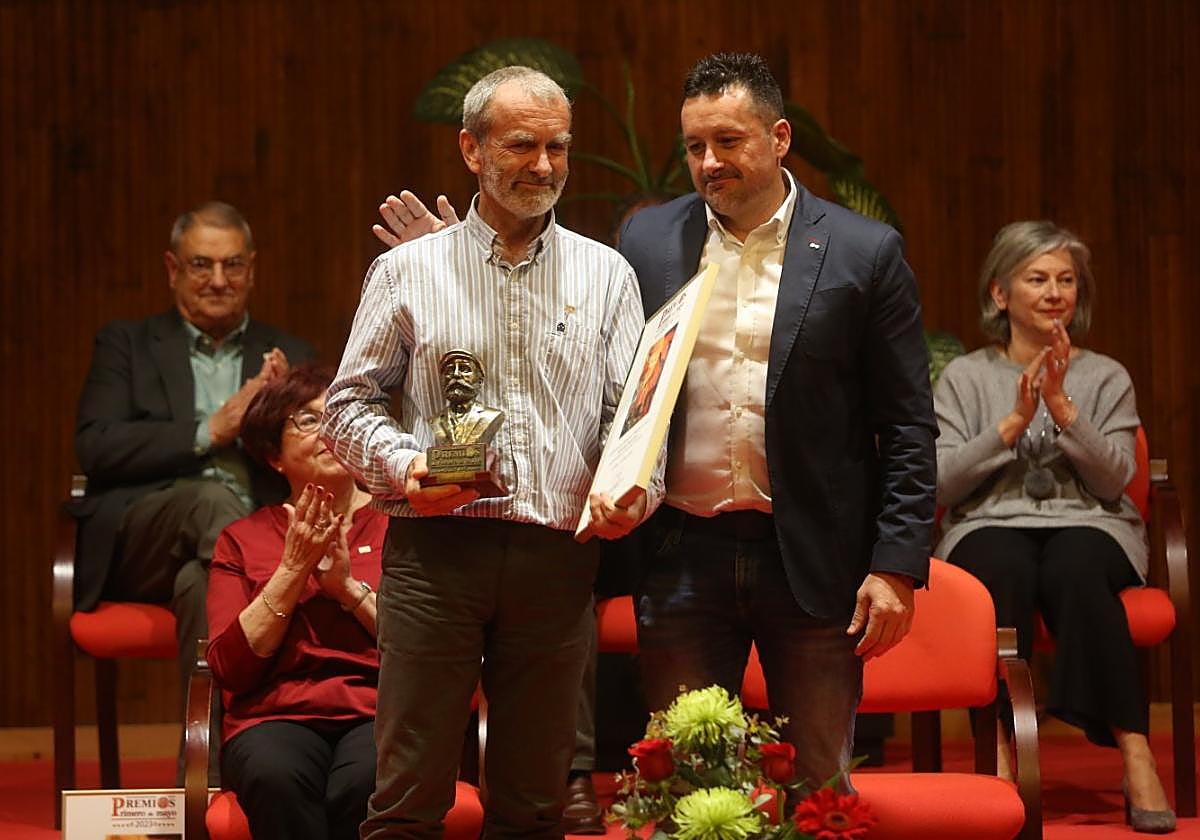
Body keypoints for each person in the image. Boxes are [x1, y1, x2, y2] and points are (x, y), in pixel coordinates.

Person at [322, 66, 660, 839]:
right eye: (521, 145)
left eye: (558, 147)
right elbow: (347, 405)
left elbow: (634, 420)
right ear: (471, 149)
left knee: (534, 806)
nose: (543, 166)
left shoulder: (607, 276)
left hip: (556, 561)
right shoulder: (407, 270)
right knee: (406, 801)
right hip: (433, 556)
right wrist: (407, 464)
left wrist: (635, 485)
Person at [616, 52, 936, 793]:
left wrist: (895, 565)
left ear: (780, 137)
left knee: (822, 786)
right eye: (694, 146)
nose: (708, 162)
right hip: (682, 553)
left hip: (812, 560)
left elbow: (908, 425)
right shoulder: (648, 243)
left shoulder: (863, 252)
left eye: (728, 141)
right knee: (691, 792)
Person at [934, 220, 1175, 833]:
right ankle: (1007, 754)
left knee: (1075, 566)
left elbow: (1115, 481)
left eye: (1065, 280)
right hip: (988, 523)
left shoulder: (1106, 376)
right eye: (1036, 278)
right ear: (1000, 294)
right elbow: (939, 485)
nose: (1053, 292)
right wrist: (1011, 423)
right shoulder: (963, 378)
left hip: (1092, 524)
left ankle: (1135, 752)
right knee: (1002, 566)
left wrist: (1066, 410)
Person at [72, 201, 313, 776]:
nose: (219, 280)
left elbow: (314, 459)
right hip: (142, 541)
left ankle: (202, 782)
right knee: (209, 504)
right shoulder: (126, 345)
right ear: (172, 269)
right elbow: (97, 447)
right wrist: (216, 428)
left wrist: (273, 414)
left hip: (232, 556)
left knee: (202, 582)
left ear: (252, 269)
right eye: (201, 265)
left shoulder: (289, 356)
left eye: (233, 265)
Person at [205, 364, 384, 840]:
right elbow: (231, 668)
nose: (328, 430)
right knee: (273, 776)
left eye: (339, 417)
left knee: (366, 781)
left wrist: (347, 591)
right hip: (274, 715)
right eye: (307, 420)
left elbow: (431, 649)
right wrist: (293, 569)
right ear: (273, 455)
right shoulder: (241, 540)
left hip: (380, 712)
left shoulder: (401, 530)